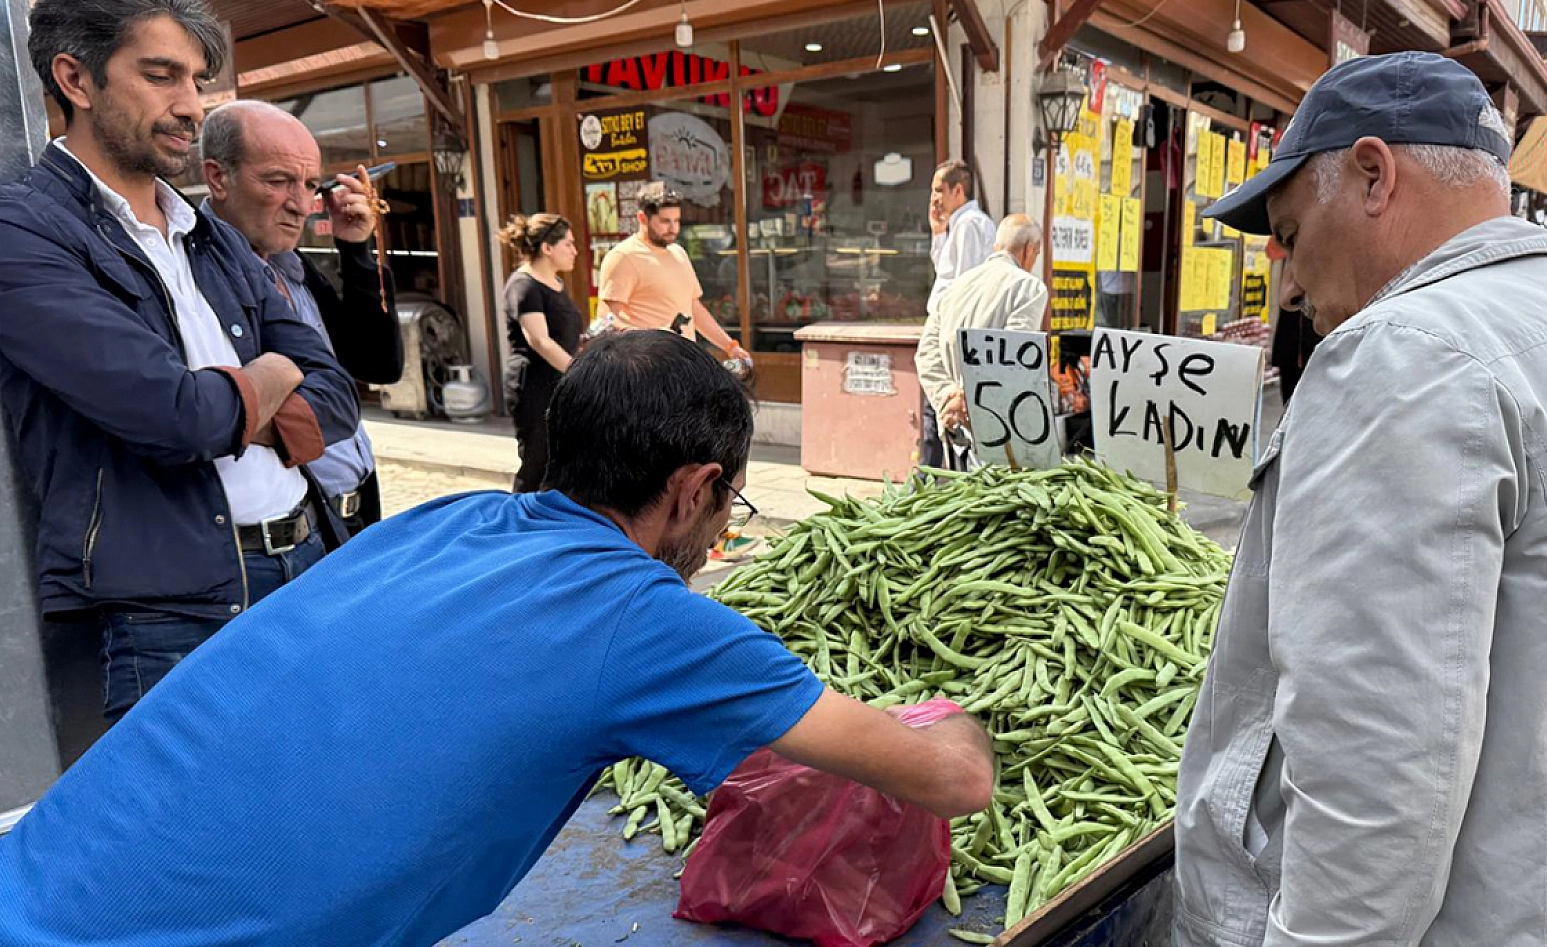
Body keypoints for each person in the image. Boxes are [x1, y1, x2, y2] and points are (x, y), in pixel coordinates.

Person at [0, 331, 998, 947]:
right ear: (696, 488)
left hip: (33, 880)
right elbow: (952, 780)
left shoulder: (449, 520)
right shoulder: (642, 616)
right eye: (727, 504)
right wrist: (955, 721)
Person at [1185, 52, 1547, 946]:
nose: (1288, 288)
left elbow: (1372, 803)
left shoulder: (1401, 357)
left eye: (1291, 235)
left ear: (1374, 176)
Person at [0, 0, 358, 723]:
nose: (192, 106)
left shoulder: (207, 233)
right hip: (171, 611)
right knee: (205, 801)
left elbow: (337, 394)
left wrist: (235, 403)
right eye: (162, 76)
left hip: (309, 560)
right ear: (76, 78)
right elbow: (178, 418)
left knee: (321, 783)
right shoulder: (25, 229)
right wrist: (269, 376)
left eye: (197, 81)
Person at [201, 100, 401, 536]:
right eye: (278, 181)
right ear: (218, 177)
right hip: (291, 527)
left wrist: (356, 251)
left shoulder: (292, 266)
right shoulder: (194, 269)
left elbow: (379, 365)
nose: (302, 205)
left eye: (310, 185)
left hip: (356, 508)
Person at [915, 213, 1048, 466]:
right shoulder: (1029, 288)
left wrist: (949, 395)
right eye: (1037, 253)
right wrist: (967, 398)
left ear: (996, 246)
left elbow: (926, 353)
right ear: (1029, 250)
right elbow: (1010, 360)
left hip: (955, 424)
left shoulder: (955, 287)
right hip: (998, 428)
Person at [597, 182, 749, 362]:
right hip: (647, 364)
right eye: (665, 221)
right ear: (642, 218)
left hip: (684, 362)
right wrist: (651, 340)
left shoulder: (679, 253)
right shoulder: (623, 256)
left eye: (677, 221)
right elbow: (607, 320)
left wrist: (729, 346)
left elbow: (693, 309)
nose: (673, 228)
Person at [497, 213, 583, 493]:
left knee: (564, 464)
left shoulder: (556, 283)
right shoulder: (524, 285)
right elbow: (540, 340)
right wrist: (580, 373)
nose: (575, 251)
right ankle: (519, 516)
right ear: (547, 248)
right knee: (537, 463)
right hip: (534, 386)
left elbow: (563, 336)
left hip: (561, 384)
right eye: (568, 244)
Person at [922, 160, 997, 468]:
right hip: (948, 325)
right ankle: (929, 476)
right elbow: (946, 271)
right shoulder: (961, 224)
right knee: (936, 408)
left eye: (939, 190)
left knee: (941, 408)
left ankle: (929, 478)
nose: (935, 198)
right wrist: (938, 232)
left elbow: (963, 284)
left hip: (952, 328)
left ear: (958, 190)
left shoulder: (969, 225)